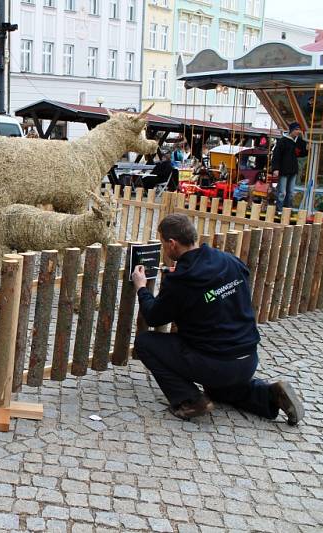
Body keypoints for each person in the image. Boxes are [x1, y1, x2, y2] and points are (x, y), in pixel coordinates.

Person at [131, 214, 304, 424]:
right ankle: (269, 395)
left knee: (145, 342)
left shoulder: (181, 281)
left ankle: (191, 401)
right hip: (247, 358)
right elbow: (236, 278)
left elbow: (154, 317)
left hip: (215, 364)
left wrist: (141, 287)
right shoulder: (228, 260)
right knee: (218, 389)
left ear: (172, 244)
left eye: (163, 244)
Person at [271, 121, 308, 212]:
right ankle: (279, 210)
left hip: (293, 170)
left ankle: (287, 209)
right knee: (282, 192)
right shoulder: (282, 141)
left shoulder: (298, 141)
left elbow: (300, 153)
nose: (298, 131)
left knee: (291, 192)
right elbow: (276, 155)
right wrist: (275, 168)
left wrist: (307, 150)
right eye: (296, 129)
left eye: (299, 130)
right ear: (291, 130)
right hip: (284, 170)